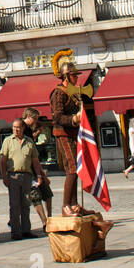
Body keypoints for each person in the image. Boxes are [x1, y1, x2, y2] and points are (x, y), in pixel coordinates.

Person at [48, 49, 95, 215]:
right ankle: (66, 205)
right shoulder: (58, 93)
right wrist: (74, 119)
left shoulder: (75, 93)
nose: (77, 78)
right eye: (74, 75)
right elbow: (58, 117)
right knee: (72, 168)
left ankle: (74, 203)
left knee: (78, 168)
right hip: (63, 134)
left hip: (75, 135)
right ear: (66, 76)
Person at [0, 118, 47, 240]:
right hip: (13, 176)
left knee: (26, 204)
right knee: (14, 205)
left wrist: (39, 175)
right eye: (14, 127)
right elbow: (3, 160)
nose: (15, 130)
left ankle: (26, 230)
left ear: (23, 128)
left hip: (27, 176)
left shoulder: (29, 141)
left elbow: (35, 160)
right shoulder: (8, 141)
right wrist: (4, 176)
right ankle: (16, 232)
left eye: (18, 127)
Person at [21, 107, 54, 229]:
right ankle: (46, 222)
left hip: (35, 169)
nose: (36, 121)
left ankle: (49, 219)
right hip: (29, 171)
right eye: (35, 118)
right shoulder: (24, 129)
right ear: (28, 116)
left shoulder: (28, 130)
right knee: (36, 197)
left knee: (46, 194)